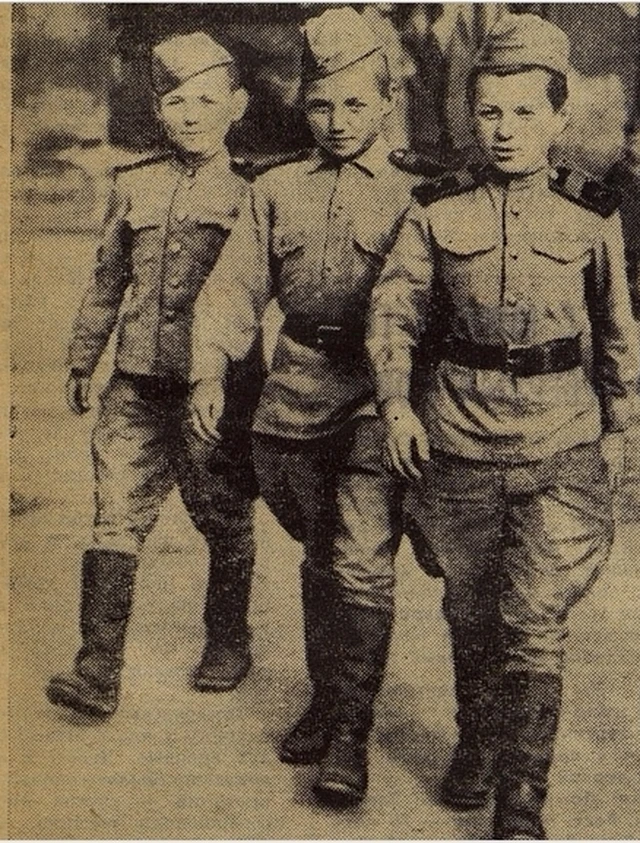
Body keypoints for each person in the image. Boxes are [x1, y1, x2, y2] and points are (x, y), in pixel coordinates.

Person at [366, 14, 640, 838]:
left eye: (525, 112)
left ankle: (522, 792)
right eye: (490, 112)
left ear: (559, 116)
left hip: (561, 438)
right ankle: (478, 740)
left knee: (535, 619)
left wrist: (618, 425)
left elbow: (616, 327)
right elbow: (394, 311)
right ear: (470, 116)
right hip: (459, 436)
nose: (506, 129)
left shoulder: (592, 211)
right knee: (470, 609)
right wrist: (395, 402)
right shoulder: (434, 207)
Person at [190, 8, 419, 808]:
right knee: (322, 554)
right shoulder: (276, 189)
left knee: (359, 557)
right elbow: (233, 287)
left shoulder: (420, 193)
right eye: (322, 104)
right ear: (303, 105)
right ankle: (328, 698)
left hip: (377, 395)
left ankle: (351, 731)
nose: (338, 120)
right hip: (294, 393)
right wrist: (209, 370)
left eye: (356, 103)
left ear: (386, 102)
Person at [46, 32, 262, 719]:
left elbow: (262, 293)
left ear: (237, 106)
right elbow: (107, 281)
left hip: (215, 391)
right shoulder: (134, 185)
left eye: (206, 101)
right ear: (157, 109)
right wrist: (84, 357)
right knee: (114, 515)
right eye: (176, 102)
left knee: (222, 516)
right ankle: (97, 668)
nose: (190, 115)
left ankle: (228, 639)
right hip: (136, 384)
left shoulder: (254, 194)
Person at [605, 115, 640, 317]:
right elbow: (605, 199)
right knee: (620, 271)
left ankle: (639, 304)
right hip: (622, 230)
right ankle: (619, 308)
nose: (639, 148)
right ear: (627, 143)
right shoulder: (618, 171)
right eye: (634, 142)